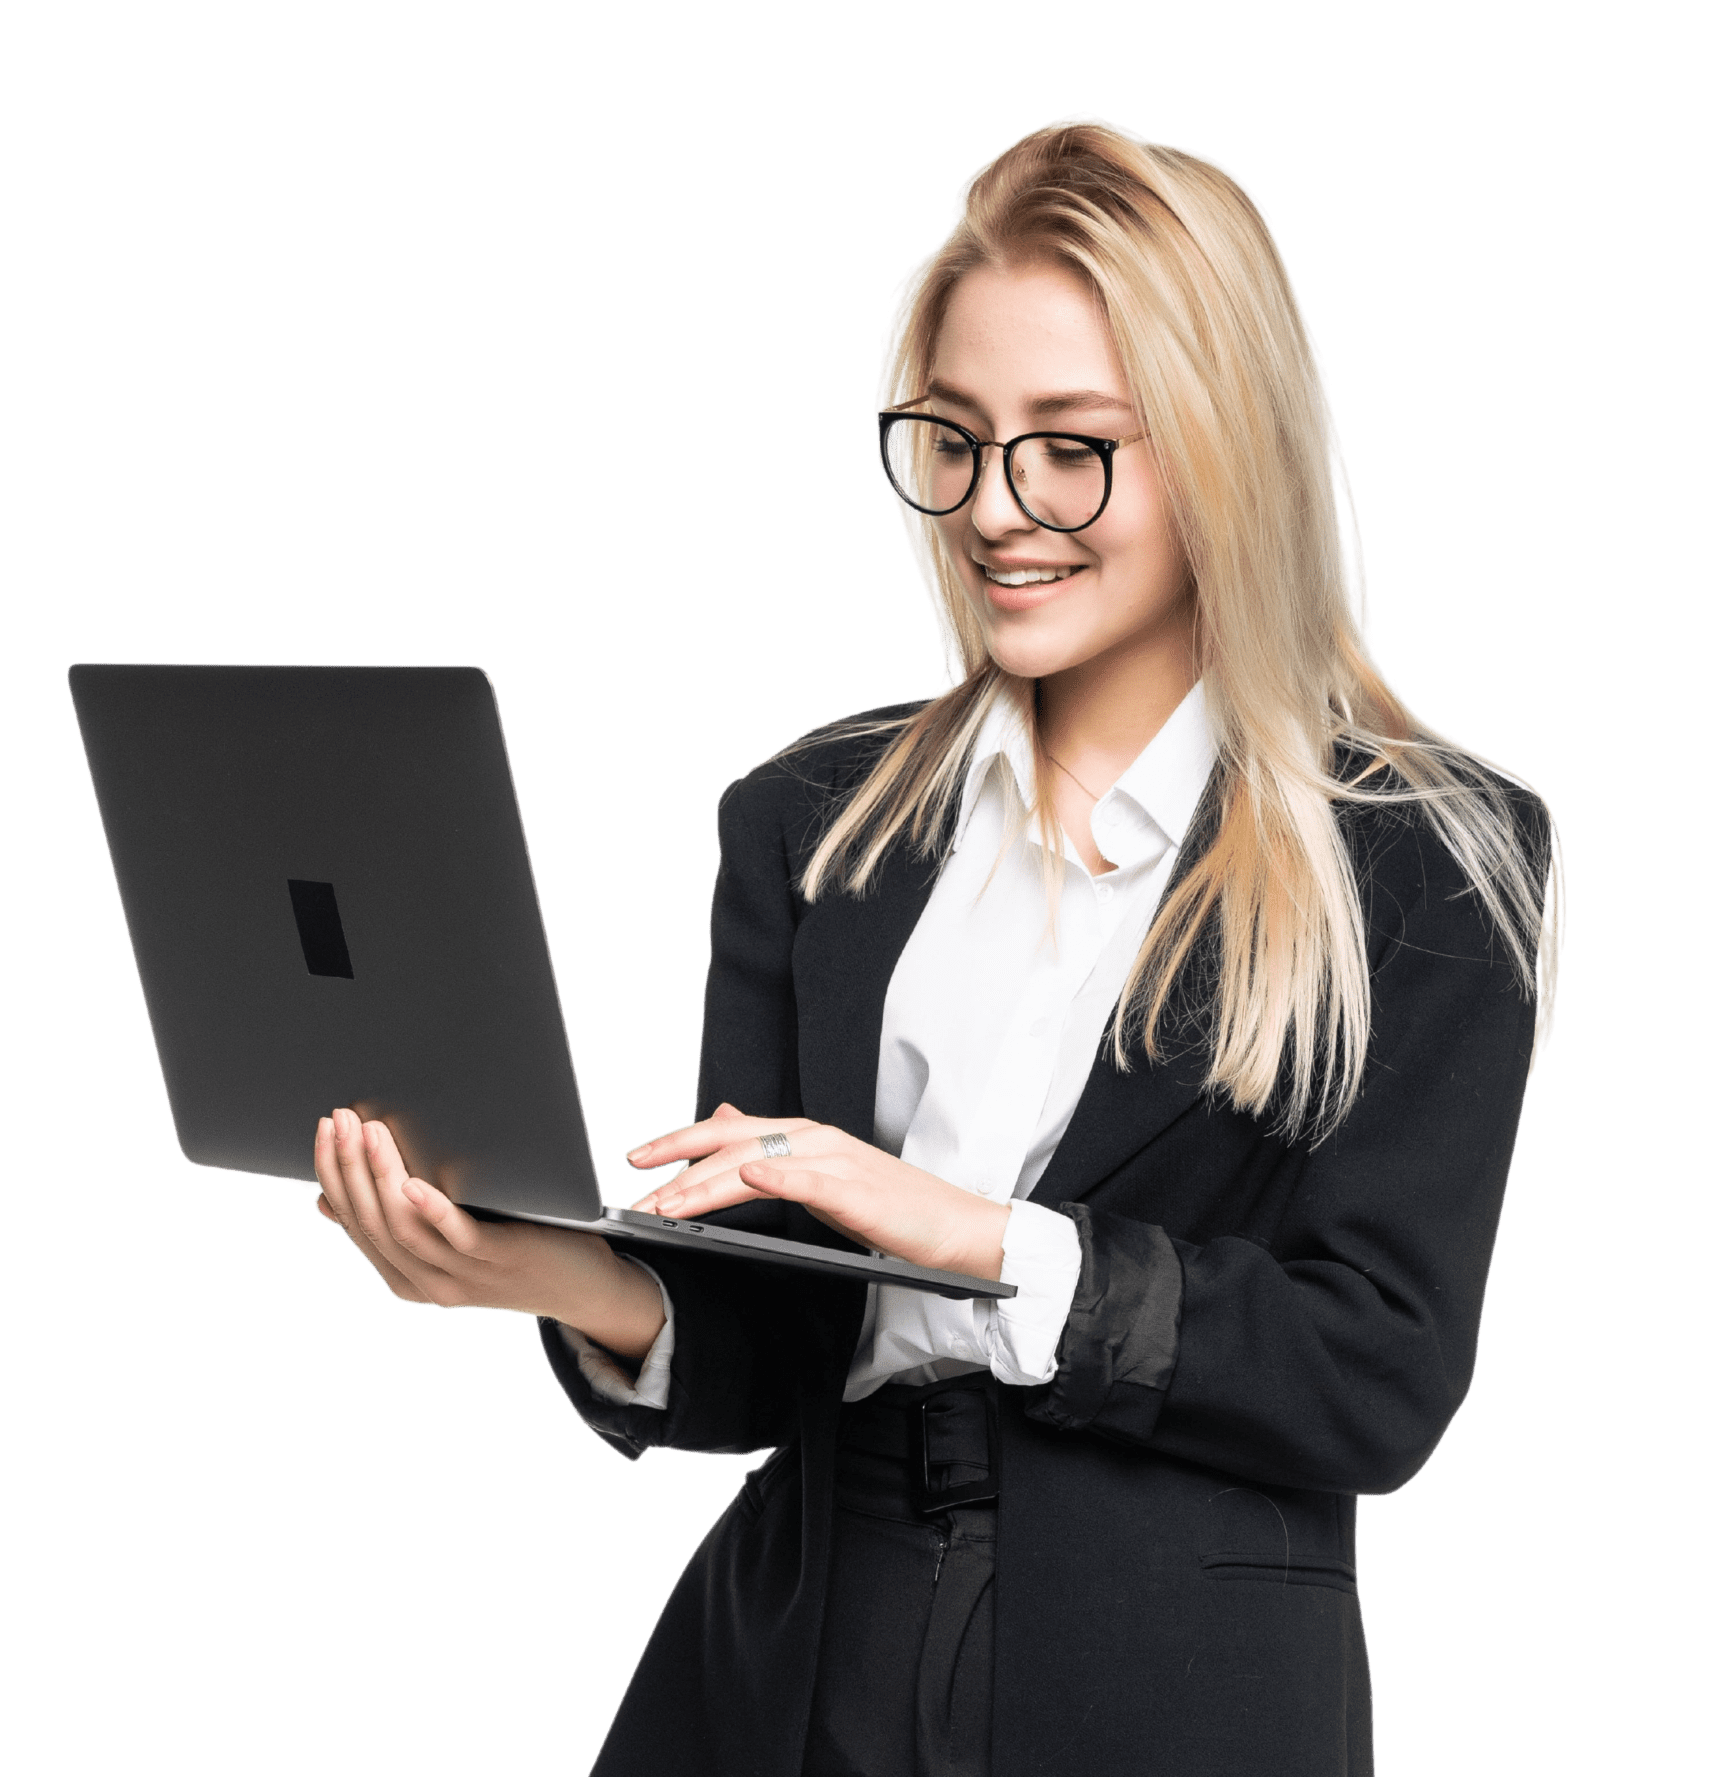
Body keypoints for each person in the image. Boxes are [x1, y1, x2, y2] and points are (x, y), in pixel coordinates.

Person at [308, 114, 1564, 1777]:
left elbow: (1377, 1373)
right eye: (952, 439)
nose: (995, 508)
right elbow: (776, 1343)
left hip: (1164, 1686)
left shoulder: (1421, 854)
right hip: (790, 1654)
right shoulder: (813, 822)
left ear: (1227, 451)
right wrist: (551, 1273)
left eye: (1072, 446)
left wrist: (981, 1240)